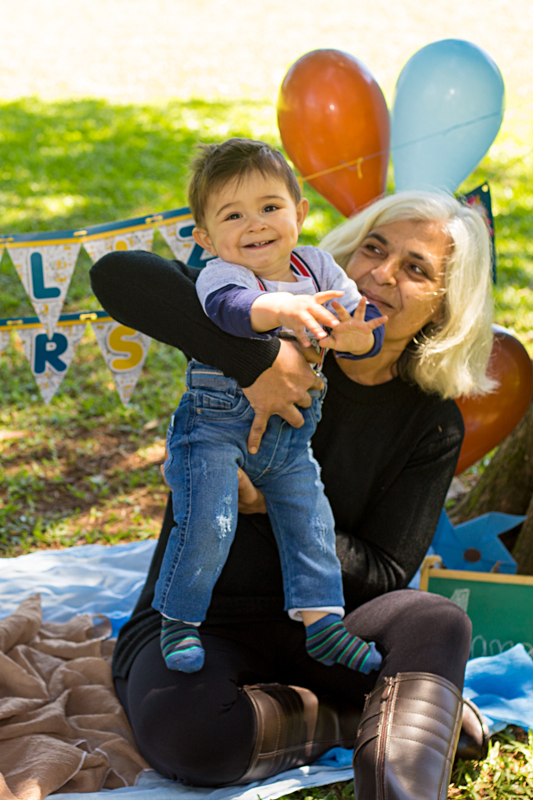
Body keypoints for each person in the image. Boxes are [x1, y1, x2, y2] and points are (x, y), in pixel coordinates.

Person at [90, 187, 495, 800]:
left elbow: (385, 573)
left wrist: (268, 505)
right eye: (373, 249)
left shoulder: (431, 420)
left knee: (437, 619)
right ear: (342, 259)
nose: (381, 275)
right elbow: (118, 275)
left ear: (444, 308)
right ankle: (356, 718)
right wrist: (254, 363)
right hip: (204, 619)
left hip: (325, 625)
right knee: (197, 737)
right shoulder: (258, 317)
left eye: (416, 269)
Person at [156, 138, 387, 675]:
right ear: (207, 238)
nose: (255, 224)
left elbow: (365, 325)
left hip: (290, 437)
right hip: (214, 428)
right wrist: (281, 305)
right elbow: (234, 312)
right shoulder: (224, 274)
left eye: (269, 207)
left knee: (312, 523)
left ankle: (323, 624)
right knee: (209, 523)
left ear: (299, 214)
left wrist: (354, 338)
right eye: (233, 215)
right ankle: (178, 619)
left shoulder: (320, 267)